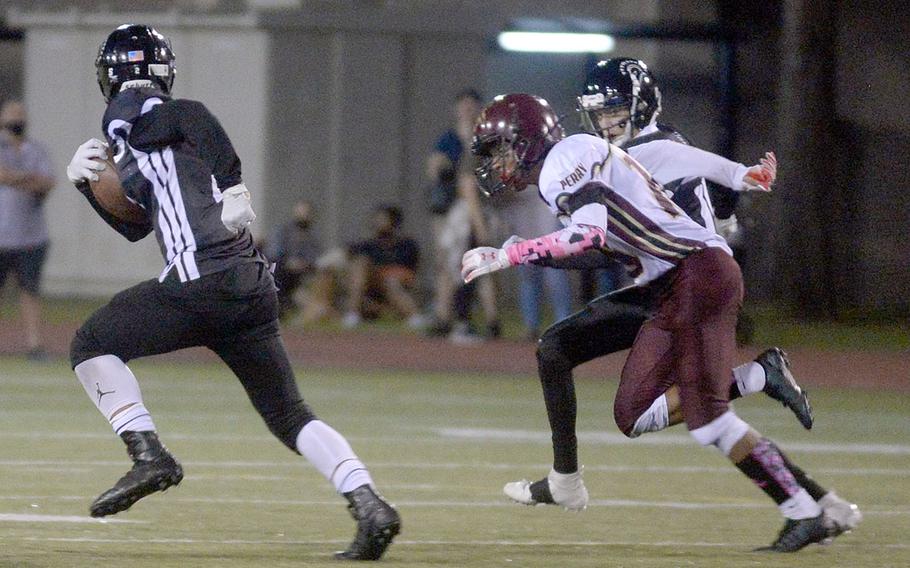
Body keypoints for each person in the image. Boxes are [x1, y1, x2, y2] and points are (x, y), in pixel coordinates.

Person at [463, 93, 857, 552]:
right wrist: (531, 252)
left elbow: (587, 232)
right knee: (632, 412)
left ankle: (803, 512)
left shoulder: (564, 161)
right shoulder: (578, 158)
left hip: (695, 275)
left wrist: (511, 253)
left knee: (708, 420)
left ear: (526, 141)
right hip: (675, 282)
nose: (496, 163)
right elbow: (600, 244)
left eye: (499, 149)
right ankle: (802, 466)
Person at [63, 24, 399, 560]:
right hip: (248, 284)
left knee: (89, 345)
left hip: (202, 277)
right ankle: (368, 502)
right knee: (290, 415)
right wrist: (88, 187)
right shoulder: (153, 139)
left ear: (117, 74)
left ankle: (148, 455)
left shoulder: (136, 109)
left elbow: (191, 114)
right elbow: (135, 224)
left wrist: (235, 183)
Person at [425, 89, 500, 342]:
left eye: (472, 105)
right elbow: (435, 170)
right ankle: (446, 315)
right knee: (450, 263)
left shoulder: (485, 139)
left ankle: (484, 319)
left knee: (476, 263)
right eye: (463, 105)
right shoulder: (449, 139)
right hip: (455, 208)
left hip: (477, 207)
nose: (467, 110)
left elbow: (476, 179)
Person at [0, 99, 55, 361]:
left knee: (29, 293)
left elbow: (47, 183)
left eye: (20, 115)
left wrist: (14, 178)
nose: (16, 120)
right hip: (2, 235)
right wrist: (27, 178)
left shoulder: (37, 150)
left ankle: (34, 346)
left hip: (32, 236)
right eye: (11, 115)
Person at [340, 205, 425, 330]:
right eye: (376, 219)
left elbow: (409, 270)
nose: (378, 223)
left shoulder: (407, 245)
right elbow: (348, 256)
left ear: (393, 222)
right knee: (361, 263)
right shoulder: (368, 245)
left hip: (398, 284)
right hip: (374, 286)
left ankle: (414, 316)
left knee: (391, 282)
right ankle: (352, 313)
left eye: (382, 219)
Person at [264, 199, 329, 322]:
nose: (303, 216)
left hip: (302, 274)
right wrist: (288, 262)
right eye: (301, 212)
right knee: (276, 271)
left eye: (306, 213)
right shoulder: (283, 233)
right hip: (281, 270)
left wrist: (304, 264)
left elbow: (316, 259)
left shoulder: (312, 239)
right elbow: (273, 253)